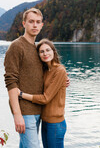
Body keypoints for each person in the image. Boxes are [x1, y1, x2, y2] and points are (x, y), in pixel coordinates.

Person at [4, 8, 45, 148]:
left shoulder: (38, 48)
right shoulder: (16, 46)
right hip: (25, 111)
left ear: (42, 25)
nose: (34, 25)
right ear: (24, 24)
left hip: (38, 110)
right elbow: (10, 81)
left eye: (38, 22)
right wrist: (17, 114)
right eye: (31, 21)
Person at [18, 39, 67, 148]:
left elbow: (45, 98)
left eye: (48, 50)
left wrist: (21, 94)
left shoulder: (60, 71)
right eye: (41, 51)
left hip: (55, 124)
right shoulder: (45, 71)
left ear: (53, 51)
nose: (45, 54)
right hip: (45, 122)